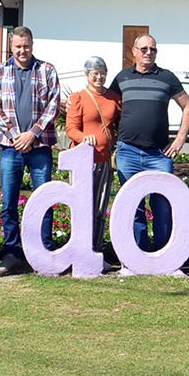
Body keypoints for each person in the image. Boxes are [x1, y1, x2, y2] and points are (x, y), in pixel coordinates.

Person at [108, 34, 189, 253]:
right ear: (134, 51)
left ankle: (163, 254)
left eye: (153, 49)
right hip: (128, 152)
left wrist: (180, 139)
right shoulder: (122, 78)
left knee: (162, 204)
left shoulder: (167, 77)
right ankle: (137, 253)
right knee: (133, 206)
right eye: (144, 48)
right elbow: (108, 107)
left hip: (159, 155)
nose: (149, 52)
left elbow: (188, 107)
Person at [0, 27, 61, 276]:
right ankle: (12, 254)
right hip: (11, 148)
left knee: (43, 200)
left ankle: (44, 252)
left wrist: (33, 134)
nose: (22, 50)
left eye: (26, 46)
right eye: (18, 46)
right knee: (9, 202)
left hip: (39, 146)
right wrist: (15, 136)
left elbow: (53, 105)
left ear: (32, 45)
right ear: (11, 46)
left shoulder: (47, 70)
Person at [65, 55, 121, 257]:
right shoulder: (78, 98)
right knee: (81, 207)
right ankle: (79, 251)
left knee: (99, 207)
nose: (99, 77)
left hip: (104, 160)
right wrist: (84, 138)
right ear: (87, 75)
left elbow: (121, 123)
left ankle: (95, 251)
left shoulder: (114, 98)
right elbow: (71, 128)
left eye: (102, 73)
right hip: (83, 161)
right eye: (95, 73)